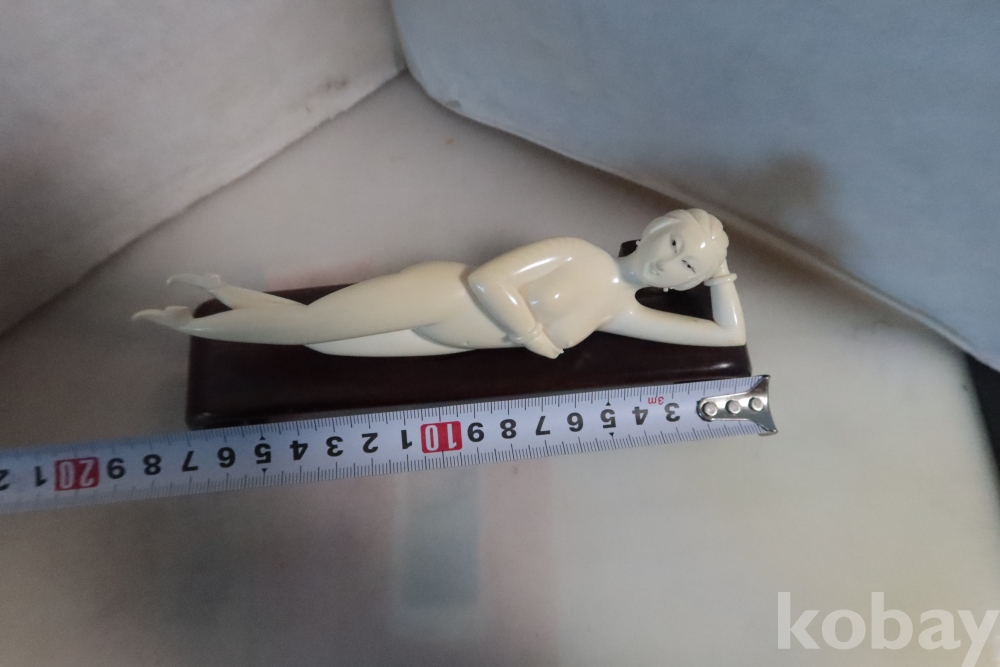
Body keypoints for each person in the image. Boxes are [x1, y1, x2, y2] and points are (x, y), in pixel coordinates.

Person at [133, 208, 745, 358]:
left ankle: (223, 298)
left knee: (318, 341)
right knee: (309, 325)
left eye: (689, 268)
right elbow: (489, 279)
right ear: (653, 229)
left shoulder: (620, 312)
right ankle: (190, 323)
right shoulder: (577, 252)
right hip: (442, 294)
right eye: (675, 246)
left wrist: (722, 278)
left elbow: (727, 338)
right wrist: (533, 335)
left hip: (441, 342)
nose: (673, 265)